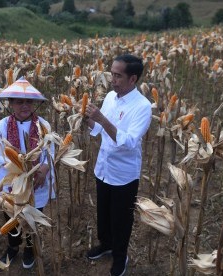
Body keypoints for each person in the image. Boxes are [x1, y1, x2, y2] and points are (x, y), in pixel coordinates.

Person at [85, 54, 152, 276]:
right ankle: (106, 244)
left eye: (117, 75)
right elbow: (99, 130)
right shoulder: (111, 97)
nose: (112, 79)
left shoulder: (142, 107)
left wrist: (102, 119)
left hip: (124, 175)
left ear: (132, 79)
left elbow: (130, 142)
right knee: (103, 214)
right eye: (111, 73)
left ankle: (120, 257)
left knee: (121, 220)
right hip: (103, 168)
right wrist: (88, 119)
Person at [0, 77, 54, 269]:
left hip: (37, 183)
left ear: (34, 104)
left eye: (28, 101)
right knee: (11, 217)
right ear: (10, 103)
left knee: (33, 216)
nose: (24, 105)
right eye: (19, 101)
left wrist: (43, 168)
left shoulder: (43, 125)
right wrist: (17, 173)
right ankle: (12, 246)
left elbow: (50, 151)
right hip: (12, 184)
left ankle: (29, 249)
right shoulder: (2, 126)